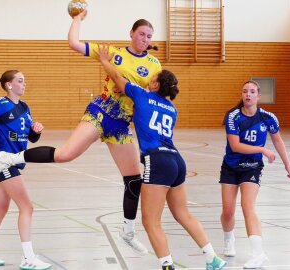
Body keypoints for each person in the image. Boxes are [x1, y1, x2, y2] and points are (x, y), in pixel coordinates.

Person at [0, 11, 162, 255]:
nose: (144, 39)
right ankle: (9, 159)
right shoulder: (113, 52)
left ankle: (128, 232)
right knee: (64, 155)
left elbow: (153, 95)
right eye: (141, 34)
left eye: (149, 36)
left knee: (134, 179)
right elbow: (73, 43)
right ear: (131, 34)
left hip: (122, 124)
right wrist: (78, 20)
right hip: (101, 112)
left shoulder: (154, 65)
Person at [96, 45, 227, 270]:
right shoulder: (172, 109)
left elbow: (117, 76)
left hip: (157, 161)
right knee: (183, 214)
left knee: (150, 221)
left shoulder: (141, 95)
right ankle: (212, 258)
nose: (149, 78)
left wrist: (104, 60)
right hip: (176, 161)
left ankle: (167, 266)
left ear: (155, 84)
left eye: (152, 77)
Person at [0, 70, 51, 270]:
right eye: (20, 81)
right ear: (9, 85)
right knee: (27, 207)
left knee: (0, 209)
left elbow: (31, 139)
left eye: (25, 80)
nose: (24, 84)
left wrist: (36, 131)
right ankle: (28, 257)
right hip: (4, 162)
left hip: (13, 162)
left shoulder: (24, 107)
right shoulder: (0, 105)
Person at [220, 80, 290, 269]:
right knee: (228, 211)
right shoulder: (233, 117)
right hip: (231, 166)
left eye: (252, 92)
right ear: (242, 95)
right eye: (245, 91)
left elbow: (278, 141)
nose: (248, 94)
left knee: (247, 207)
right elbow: (235, 145)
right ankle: (229, 241)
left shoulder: (268, 117)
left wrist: (288, 165)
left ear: (258, 96)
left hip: (252, 167)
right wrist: (262, 150)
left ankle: (258, 253)